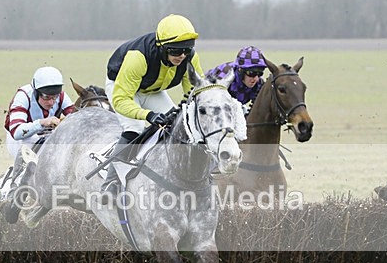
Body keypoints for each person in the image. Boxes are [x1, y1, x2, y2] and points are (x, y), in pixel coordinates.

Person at [101, 14, 205, 194]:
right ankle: (111, 182)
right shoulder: (138, 57)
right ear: (162, 47)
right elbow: (121, 100)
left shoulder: (189, 57)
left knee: (176, 126)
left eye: (186, 50)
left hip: (152, 89)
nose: (181, 56)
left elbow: (194, 94)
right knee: (134, 128)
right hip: (123, 89)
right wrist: (147, 115)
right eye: (175, 51)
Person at [0, 66, 75, 222]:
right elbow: (17, 131)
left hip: (47, 135)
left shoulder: (61, 96)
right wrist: (42, 123)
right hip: (21, 138)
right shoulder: (23, 96)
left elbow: (75, 117)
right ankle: (13, 197)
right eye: (46, 97)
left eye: (54, 97)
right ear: (36, 92)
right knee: (29, 153)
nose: (51, 102)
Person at [206, 45, 268, 114]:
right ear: (240, 70)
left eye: (259, 73)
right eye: (251, 73)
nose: (256, 79)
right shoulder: (223, 76)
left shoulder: (258, 84)